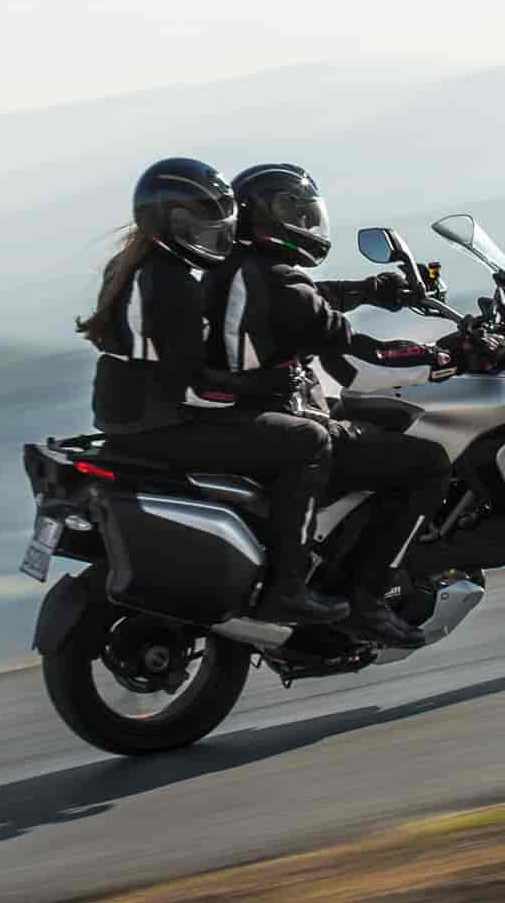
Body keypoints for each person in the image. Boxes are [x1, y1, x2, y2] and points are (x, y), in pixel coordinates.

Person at [77, 157, 349, 625]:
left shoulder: (132, 267)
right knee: (309, 441)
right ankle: (288, 589)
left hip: (126, 420)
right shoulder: (174, 285)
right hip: (164, 425)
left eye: (216, 219)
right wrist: (264, 386)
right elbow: (194, 388)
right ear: (165, 219)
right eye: (198, 222)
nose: (211, 231)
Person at [204, 162, 454, 650]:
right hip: (280, 418)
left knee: (371, 422)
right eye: (298, 214)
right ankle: (367, 598)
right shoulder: (277, 280)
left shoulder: (236, 270)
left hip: (244, 415)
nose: (308, 223)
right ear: (272, 218)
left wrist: (369, 291)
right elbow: (360, 358)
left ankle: (338, 555)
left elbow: (311, 301)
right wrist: (446, 356)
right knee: (427, 463)